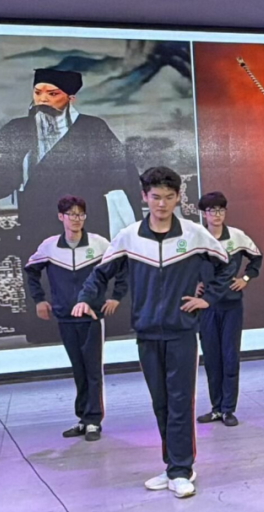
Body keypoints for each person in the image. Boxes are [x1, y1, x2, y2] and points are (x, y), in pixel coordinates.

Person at [71, 167, 233, 499]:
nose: (162, 204)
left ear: (178, 198)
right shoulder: (129, 237)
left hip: (182, 332)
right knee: (161, 403)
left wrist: (207, 299)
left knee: (180, 402)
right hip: (146, 333)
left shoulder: (194, 234)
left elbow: (225, 265)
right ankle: (172, 465)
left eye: (169, 197)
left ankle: (181, 470)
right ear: (144, 197)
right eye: (155, 197)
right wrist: (86, 299)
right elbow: (101, 274)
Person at [0, 68, 141, 341]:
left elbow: (121, 172)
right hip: (38, 214)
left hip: (86, 215)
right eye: (38, 92)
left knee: (91, 269)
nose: (43, 99)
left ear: (71, 97)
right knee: (44, 270)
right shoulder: (18, 129)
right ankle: (47, 330)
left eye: (52, 93)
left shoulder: (93, 128)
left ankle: (105, 325)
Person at [24, 195, 126, 443]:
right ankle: (83, 418)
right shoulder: (50, 246)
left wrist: (116, 297)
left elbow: (122, 267)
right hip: (65, 316)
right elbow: (31, 271)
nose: (76, 219)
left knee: (93, 369)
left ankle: (94, 420)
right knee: (78, 369)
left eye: (80, 214)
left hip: (92, 317)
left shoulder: (99, 244)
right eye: (71, 214)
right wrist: (39, 300)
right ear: (61, 217)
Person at [194, 191, 263, 427]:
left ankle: (228, 409)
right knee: (211, 358)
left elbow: (257, 259)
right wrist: (194, 284)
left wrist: (245, 278)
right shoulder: (196, 238)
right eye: (211, 210)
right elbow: (184, 266)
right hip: (206, 307)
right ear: (203, 214)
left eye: (221, 210)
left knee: (230, 356)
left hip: (231, 305)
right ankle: (215, 408)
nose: (217, 215)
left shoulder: (237, 236)